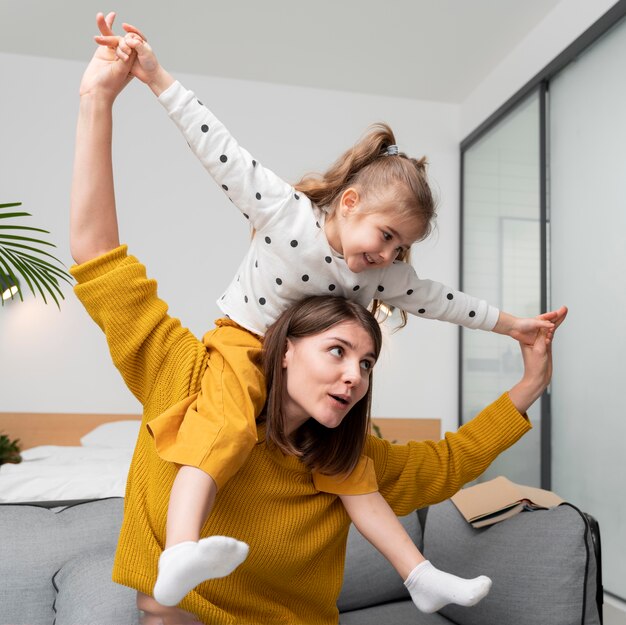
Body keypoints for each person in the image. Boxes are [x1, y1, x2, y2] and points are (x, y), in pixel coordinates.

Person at [72, 13, 566, 623]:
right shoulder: (187, 382)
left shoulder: (344, 454)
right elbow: (113, 245)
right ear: (285, 348)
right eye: (338, 351)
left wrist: (526, 372)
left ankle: (422, 576)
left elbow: (447, 452)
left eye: (367, 361)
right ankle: (183, 549)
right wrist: (108, 95)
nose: (356, 375)